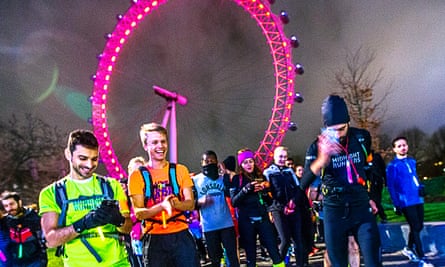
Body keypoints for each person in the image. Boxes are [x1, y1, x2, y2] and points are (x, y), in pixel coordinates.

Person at [300, 94, 382, 267]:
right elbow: (303, 183)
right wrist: (322, 159)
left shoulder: (361, 137)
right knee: (338, 262)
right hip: (334, 208)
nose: (337, 134)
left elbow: (371, 170)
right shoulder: (316, 146)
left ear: (348, 123)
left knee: (374, 260)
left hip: (360, 203)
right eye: (332, 130)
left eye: (341, 128)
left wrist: (373, 197)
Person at [39, 129, 132, 266]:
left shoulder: (113, 185)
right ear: (68, 154)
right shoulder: (51, 193)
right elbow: (51, 240)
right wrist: (83, 224)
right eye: (83, 158)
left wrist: (118, 219)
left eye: (94, 159)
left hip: (118, 262)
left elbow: (127, 227)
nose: (89, 165)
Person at [127, 122, 198, 267]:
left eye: (163, 141)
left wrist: (176, 204)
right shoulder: (136, 176)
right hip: (154, 238)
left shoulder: (180, 170)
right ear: (145, 146)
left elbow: (190, 203)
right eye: (155, 142)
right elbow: (139, 213)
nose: (160, 146)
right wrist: (162, 206)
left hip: (181, 234)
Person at [230, 148, 284, 267]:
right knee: (251, 256)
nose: (249, 164)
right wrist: (246, 189)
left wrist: (265, 192)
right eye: (245, 162)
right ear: (241, 165)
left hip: (263, 219)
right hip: (247, 221)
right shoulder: (236, 179)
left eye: (250, 161)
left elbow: (270, 202)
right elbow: (234, 202)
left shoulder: (261, 176)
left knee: (274, 252)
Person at [386, 136, 433, 267]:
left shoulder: (412, 161)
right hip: (406, 201)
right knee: (416, 228)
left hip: (417, 198)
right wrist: (396, 203)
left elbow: (415, 177)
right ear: (394, 149)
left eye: (404, 145)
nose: (403, 147)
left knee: (418, 226)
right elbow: (391, 186)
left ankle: (408, 248)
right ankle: (421, 258)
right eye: (399, 146)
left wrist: (421, 187)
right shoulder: (392, 166)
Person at [263, 146, 311, 267]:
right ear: (274, 157)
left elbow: (298, 189)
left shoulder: (289, 172)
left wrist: (293, 202)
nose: (282, 159)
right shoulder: (268, 173)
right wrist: (278, 207)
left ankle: (301, 264)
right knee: (285, 239)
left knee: (298, 239)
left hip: (293, 208)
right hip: (278, 210)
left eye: (284, 157)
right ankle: (278, 264)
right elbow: (268, 195)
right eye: (280, 156)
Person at [192, 150, 239, 267]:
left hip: (227, 224)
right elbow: (190, 203)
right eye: (206, 161)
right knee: (215, 259)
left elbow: (234, 191)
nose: (209, 163)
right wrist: (200, 202)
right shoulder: (195, 180)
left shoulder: (223, 178)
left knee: (233, 258)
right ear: (202, 163)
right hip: (209, 227)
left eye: (212, 161)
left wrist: (226, 173)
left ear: (217, 162)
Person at [0, 191, 47, 267]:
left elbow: (43, 235)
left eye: (12, 204)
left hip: (35, 259)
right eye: (6, 206)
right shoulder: (5, 221)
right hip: (16, 261)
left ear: (19, 202)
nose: (9, 208)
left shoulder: (32, 217)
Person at [368, 150, 388, 223]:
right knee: (373, 199)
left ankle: (381, 216)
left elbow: (383, 168)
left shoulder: (376, 157)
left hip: (377, 181)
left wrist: (386, 181)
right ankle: (379, 216)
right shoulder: (363, 157)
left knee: (376, 199)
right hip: (369, 182)